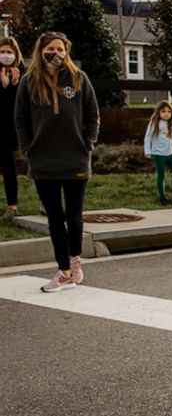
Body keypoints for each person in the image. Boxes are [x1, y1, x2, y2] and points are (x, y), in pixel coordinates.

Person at [14, 31, 100, 293]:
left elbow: (93, 114)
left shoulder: (78, 79)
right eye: (50, 49)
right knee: (54, 218)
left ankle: (75, 261)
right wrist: (27, 147)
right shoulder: (29, 82)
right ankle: (63, 270)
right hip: (43, 161)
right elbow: (20, 119)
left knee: (73, 217)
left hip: (75, 158)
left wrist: (88, 143)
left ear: (67, 50)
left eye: (60, 49)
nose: (56, 54)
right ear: (41, 51)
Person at [0, 36, 24, 219]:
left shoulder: (23, 73)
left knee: (33, 165)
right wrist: (4, 87)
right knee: (7, 166)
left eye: (9, 52)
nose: (6, 55)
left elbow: (26, 102)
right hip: (3, 129)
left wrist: (15, 86)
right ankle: (12, 205)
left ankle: (44, 203)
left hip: (22, 126)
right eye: (2, 52)